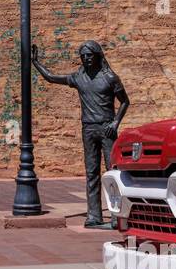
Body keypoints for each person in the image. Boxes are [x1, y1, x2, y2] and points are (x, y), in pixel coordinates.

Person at [31, 40, 130, 228]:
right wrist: (36, 63)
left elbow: (125, 101)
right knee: (91, 173)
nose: (86, 59)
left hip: (106, 129)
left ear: (98, 56)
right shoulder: (79, 77)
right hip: (88, 129)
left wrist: (116, 122)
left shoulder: (110, 77)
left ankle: (118, 216)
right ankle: (94, 216)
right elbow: (52, 78)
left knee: (113, 173)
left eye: (89, 55)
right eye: (83, 56)